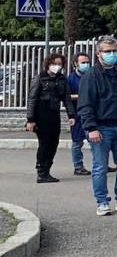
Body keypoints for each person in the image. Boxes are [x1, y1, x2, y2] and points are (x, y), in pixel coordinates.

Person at [77, 37, 117, 216]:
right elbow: (85, 104)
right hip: (100, 127)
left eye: (114, 51)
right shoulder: (91, 75)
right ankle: (102, 201)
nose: (112, 54)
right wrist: (91, 128)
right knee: (100, 167)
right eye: (107, 51)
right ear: (98, 54)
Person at [26, 53, 76, 183]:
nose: (57, 66)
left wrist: (71, 115)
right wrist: (30, 119)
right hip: (41, 114)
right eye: (54, 64)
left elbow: (66, 98)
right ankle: (41, 171)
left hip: (54, 114)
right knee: (45, 143)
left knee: (54, 143)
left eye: (59, 64)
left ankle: (47, 170)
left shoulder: (62, 79)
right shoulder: (39, 78)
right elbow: (32, 99)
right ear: (48, 64)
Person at [68, 53, 91, 175]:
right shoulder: (71, 79)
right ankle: (78, 166)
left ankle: (101, 163)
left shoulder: (92, 75)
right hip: (77, 114)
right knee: (77, 142)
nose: (86, 65)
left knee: (97, 141)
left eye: (87, 62)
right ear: (76, 64)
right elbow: (66, 96)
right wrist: (80, 97)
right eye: (83, 62)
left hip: (92, 113)